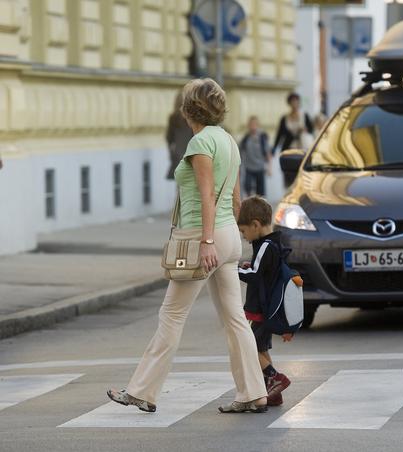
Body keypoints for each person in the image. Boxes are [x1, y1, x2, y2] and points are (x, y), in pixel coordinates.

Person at [107, 78, 268, 414]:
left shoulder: (199, 144)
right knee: (235, 319)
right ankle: (254, 392)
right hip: (227, 235)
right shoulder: (227, 141)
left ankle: (142, 391)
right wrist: (236, 236)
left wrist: (207, 240)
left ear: (188, 109)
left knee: (172, 314)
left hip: (201, 238)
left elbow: (206, 195)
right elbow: (235, 196)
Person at [237, 197, 294, 407]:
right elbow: (262, 269)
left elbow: (253, 274)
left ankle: (275, 377)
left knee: (249, 347)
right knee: (260, 347)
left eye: (243, 231)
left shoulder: (265, 245)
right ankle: (271, 392)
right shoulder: (273, 242)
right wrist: (248, 265)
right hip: (267, 306)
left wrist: (234, 270)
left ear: (255, 224)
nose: (243, 236)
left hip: (261, 306)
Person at [239, 116, 271, 196]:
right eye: (251, 124)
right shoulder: (246, 138)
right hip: (249, 168)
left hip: (260, 167)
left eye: (254, 124)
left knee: (261, 192)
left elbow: (268, 153)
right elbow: (240, 151)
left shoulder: (262, 137)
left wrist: (269, 168)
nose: (252, 126)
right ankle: (250, 205)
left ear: (258, 125)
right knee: (247, 187)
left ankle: (260, 207)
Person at [165, 90, 194, 180]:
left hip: (179, 153)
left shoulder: (173, 118)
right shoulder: (192, 117)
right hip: (190, 152)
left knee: (180, 183)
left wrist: (171, 153)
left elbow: (169, 138)